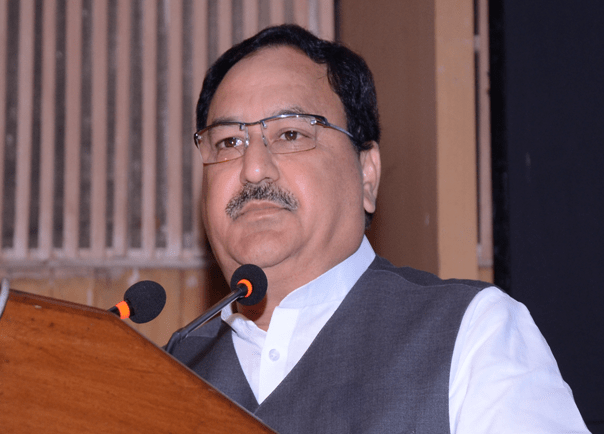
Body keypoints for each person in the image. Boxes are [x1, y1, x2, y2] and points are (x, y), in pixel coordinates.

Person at [171, 25, 589, 433]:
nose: (254, 168)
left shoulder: (471, 334)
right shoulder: (165, 371)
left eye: (291, 133)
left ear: (367, 174)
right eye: (228, 142)